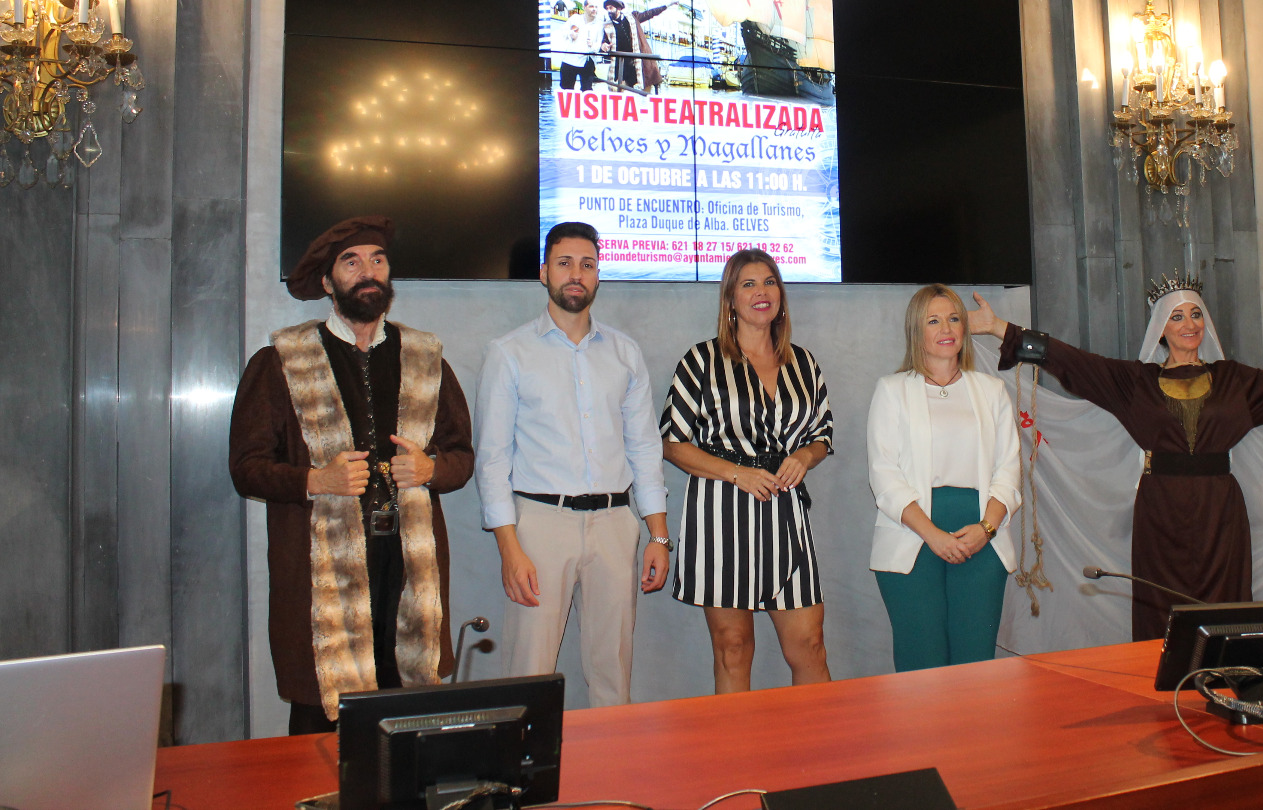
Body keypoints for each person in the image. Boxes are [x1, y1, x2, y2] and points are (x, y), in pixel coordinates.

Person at [967, 275, 1263, 641]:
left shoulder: (1236, 381)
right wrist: (999, 328)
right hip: (1160, 513)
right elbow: (1071, 361)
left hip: (1219, 513)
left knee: (1224, 608)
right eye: (1177, 316)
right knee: (1160, 608)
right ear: (1161, 329)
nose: (1189, 324)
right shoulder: (1134, 383)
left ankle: (1227, 684)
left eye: (1196, 314)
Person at [229, 216, 475, 734]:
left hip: (407, 565)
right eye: (352, 262)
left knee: (406, 716)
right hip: (321, 571)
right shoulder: (281, 361)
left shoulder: (425, 357)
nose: (368, 271)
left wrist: (430, 469)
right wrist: (315, 481)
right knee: (323, 727)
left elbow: (461, 456)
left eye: (377, 260)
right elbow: (246, 469)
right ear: (327, 281)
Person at [474, 221, 671, 707]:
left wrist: (658, 535)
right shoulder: (510, 353)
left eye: (587, 264)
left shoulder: (625, 353)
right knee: (528, 677)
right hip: (540, 526)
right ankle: (522, 761)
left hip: (614, 524)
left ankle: (612, 758)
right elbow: (492, 459)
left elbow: (645, 448)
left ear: (598, 275)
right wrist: (509, 548)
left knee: (613, 675)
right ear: (544, 273)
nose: (576, 274)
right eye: (565, 263)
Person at [660, 248, 833, 693]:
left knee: (810, 646)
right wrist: (737, 472)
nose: (762, 292)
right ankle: (734, 741)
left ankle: (823, 740)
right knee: (733, 647)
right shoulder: (701, 361)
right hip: (721, 513)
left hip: (785, 515)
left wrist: (804, 457)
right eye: (748, 284)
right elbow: (672, 443)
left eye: (770, 282)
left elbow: (822, 434)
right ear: (730, 299)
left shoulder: (804, 363)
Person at [867, 285, 1021, 671]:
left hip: (980, 537)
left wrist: (987, 528)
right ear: (915, 331)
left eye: (954, 318)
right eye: (933, 321)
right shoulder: (891, 390)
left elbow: (1009, 468)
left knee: (976, 665)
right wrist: (933, 535)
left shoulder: (991, 391)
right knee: (923, 665)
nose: (946, 328)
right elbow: (884, 475)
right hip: (913, 538)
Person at [599, 0, 677, 93]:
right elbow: (604, 41)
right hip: (622, 62)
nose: (609, 11)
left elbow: (650, 13)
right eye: (607, 9)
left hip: (639, 58)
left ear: (618, 9)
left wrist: (667, 5)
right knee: (618, 87)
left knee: (646, 84)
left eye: (611, 8)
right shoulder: (607, 26)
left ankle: (647, 101)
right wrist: (604, 45)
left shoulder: (633, 17)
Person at [552, 15, 599, 91]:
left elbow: (599, 44)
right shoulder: (575, 18)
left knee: (587, 90)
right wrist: (570, 34)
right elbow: (562, 32)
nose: (594, 10)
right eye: (591, 8)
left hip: (587, 60)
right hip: (570, 59)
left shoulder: (599, 23)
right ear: (585, 8)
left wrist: (593, 45)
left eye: (596, 8)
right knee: (566, 89)